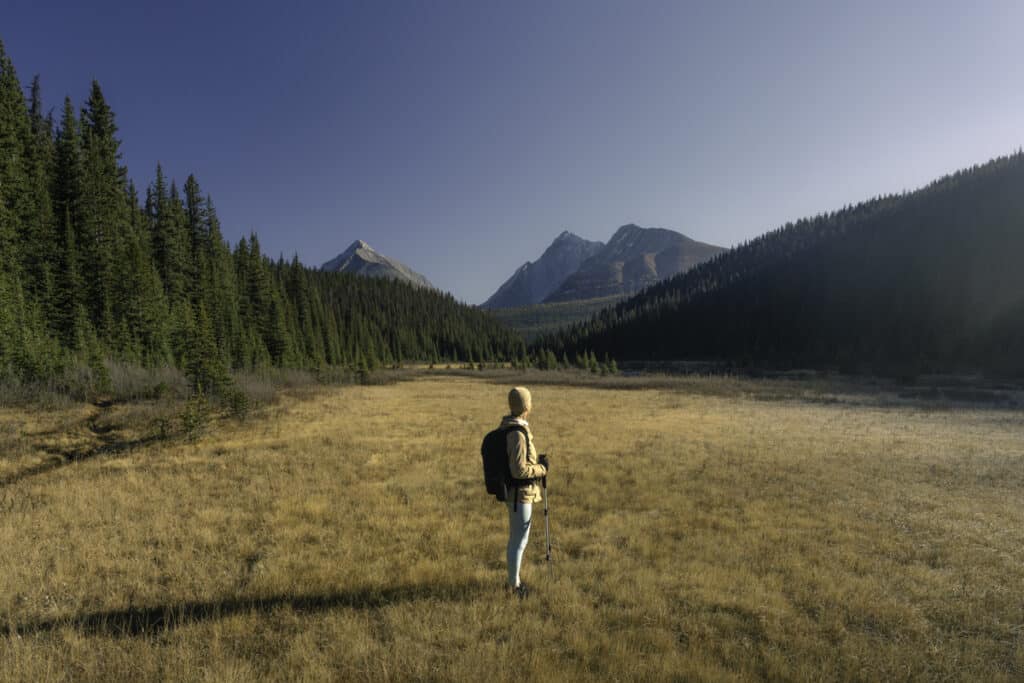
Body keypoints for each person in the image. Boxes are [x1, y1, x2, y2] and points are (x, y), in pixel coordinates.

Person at [501, 386, 549, 598]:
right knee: (519, 541)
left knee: (516, 540)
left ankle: (514, 581)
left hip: (515, 494)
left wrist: (535, 464)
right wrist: (542, 469)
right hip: (520, 495)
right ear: (525, 406)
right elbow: (519, 470)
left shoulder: (509, 427)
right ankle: (514, 586)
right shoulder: (518, 433)